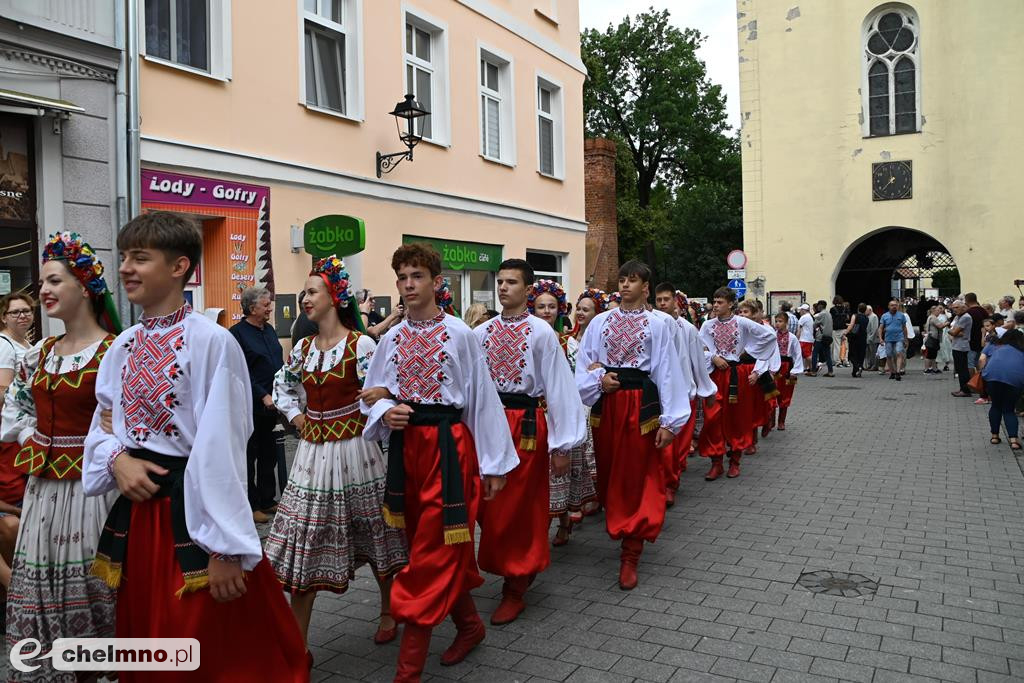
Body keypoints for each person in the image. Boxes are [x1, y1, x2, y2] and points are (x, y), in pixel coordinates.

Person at [83, 212, 308, 682]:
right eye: (123, 256)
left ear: (179, 266)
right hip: (140, 515)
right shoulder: (122, 347)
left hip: (196, 518)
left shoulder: (211, 342)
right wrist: (117, 458)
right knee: (150, 638)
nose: (124, 267)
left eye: (139, 258)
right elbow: (102, 424)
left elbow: (223, 448)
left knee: (208, 647)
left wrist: (226, 550)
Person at [360, 243, 518, 681]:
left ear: (435, 282)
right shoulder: (389, 338)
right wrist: (383, 411)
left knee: (429, 557)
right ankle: (470, 626)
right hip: (406, 452)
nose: (409, 285)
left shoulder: (459, 334)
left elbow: (482, 401)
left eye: (417, 277)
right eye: (403, 278)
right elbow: (372, 396)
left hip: (450, 451)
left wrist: (494, 465)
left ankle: (408, 670)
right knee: (433, 549)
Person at [266, 256, 408, 652]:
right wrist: (296, 418)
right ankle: (299, 646)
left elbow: (380, 390)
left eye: (312, 291)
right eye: (304, 292)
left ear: (334, 297)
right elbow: (283, 386)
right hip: (312, 455)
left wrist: (375, 408)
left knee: (374, 531)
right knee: (305, 537)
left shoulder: (361, 343)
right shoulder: (305, 347)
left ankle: (387, 608)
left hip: (356, 453)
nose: (304, 299)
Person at [3, 234, 122, 681]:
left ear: (85, 285)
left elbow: (129, 422)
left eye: (54, 280)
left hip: (93, 491)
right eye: (41, 283)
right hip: (44, 490)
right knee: (43, 582)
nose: (44, 291)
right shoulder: (41, 355)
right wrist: (36, 434)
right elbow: (16, 410)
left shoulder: (115, 352)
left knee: (94, 585)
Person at [474, 267, 584, 625]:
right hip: (488, 422)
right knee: (487, 504)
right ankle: (507, 565)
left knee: (519, 505)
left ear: (528, 288)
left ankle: (517, 585)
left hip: (526, 425)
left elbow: (559, 387)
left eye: (512, 282)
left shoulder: (541, 333)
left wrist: (563, 444)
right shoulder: (481, 333)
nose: (504, 288)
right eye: (500, 282)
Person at [576, 261, 688, 591]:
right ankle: (620, 522)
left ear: (646, 287)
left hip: (641, 405)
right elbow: (584, 361)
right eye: (622, 279)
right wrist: (599, 378)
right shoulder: (600, 321)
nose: (625, 285)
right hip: (607, 404)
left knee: (639, 473)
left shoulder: (659, 324)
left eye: (633, 280)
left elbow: (667, 370)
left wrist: (670, 420)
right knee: (610, 471)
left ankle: (631, 551)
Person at [697, 287, 780, 481]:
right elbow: (699, 347)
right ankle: (716, 462)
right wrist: (713, 356)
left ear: (731, 304)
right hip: (716, 374)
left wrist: (748, 351)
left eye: (720, 302)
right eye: (715, 301)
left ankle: (734, 460)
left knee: (737, 417)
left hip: (737, 375)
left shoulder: (742, 322)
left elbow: (769, 336)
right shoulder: (708, 325)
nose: (716, 305)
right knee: (712, 417)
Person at [654, 283, 716, 507]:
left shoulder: (688, 329)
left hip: (685, 393)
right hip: (660, 395)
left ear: (675, 302)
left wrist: (706, 389)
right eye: (659, 300)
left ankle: (671, 482)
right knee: (665, 447)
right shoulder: (652, 325)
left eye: (666, 299)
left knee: (679, 446)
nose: (662, 304)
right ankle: (665, 483)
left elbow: (698, 362)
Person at [230, 286, 284, 524]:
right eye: (265, 305)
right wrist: (262, 395)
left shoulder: (270, 330)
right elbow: (240, 373)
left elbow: (278, 362)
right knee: (248, 457)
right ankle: (250, 505)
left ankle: (267, 499)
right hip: (249, 407)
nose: (270, 308)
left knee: (268, 454)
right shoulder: (237, 335)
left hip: (273, 406)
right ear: (252, 308)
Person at [553, 288, 604, 538]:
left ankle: (577, 504)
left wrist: (597, 370)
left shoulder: (574, 342)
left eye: (587, 309)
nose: (581, 313)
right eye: (579, 309)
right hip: (548, 409)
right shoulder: (567, 336)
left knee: (582, 453)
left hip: (583, 401)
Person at [0, 293, 34, 589]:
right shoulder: (4, 345)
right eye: (16, 312)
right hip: (14, 428)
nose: (22, 316)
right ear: (4, 317)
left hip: (23, 432)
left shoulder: (31, 346)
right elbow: (4, 390)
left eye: (27, 311)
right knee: (11, 526)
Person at [979, 329, 1024, 450]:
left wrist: (982, 373)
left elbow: (982, 360)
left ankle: (994, 436)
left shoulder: (996, 346)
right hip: (1015, 380)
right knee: (1009, 409)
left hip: (992, 378)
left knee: (996, 406)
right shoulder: (1021, 350)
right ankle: (1014, 441)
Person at [770, 311, 803, 430]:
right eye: (776, 321)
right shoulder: (772, 335)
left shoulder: (792, 338)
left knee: (786, 393)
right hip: (775, 367)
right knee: (772, 392)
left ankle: (781, 421)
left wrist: (795, 370)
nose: (778, 324)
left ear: (786, 322)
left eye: (780, 321)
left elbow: (797, 354)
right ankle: (771, 420)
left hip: (788, 367)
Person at [878, 300, 909, 381]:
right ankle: (892, 372)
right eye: (892, 305)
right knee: (888, 355)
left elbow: (904, 328)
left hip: (899, 337)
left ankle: (898, 372)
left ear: (898, 306)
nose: (894, 306)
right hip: (888, 339)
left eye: (895, 305)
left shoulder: (901, 315)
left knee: (899, 353)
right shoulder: (884, 316)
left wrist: (906, 339)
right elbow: (881, 328)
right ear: (889, 306)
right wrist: (880, 338)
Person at [949, 299, 974, 397]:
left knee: (962, 369)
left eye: (957, 307)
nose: (954, 309)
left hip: (961, 346)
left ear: (963, 307)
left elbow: (954, 332)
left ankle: (965, 390)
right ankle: (962, 388)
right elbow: (956, 331)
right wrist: (955, 331)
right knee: (960, 369)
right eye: (953, 308)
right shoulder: (958, 317)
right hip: (957, 345)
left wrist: (950, 330)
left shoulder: (965, 317)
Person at [964, 292, 988, 376]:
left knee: (970, 364)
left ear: (966, 300)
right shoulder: (983, 311)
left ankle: (972, 383)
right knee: (979, 362)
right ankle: (980, 381)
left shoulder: (969, 312)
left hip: (971, 341)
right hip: (982, 340)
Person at [811, 300, 834, 376]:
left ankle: (813, 371)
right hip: (828, 337)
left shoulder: (821, 314)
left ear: (820, 306)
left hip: (820, 337)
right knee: (827, 355)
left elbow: (814, 325)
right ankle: (830, 371)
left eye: (818, 305)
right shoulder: (829, 313)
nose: (817, 307)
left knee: (815, 354)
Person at [846, 303, 869, 378]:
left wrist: (845, 332)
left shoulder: (855, 315)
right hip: (863, 337)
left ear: (858, 308)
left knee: (853, 353)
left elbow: (852, 325)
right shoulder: (866, 318)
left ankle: (856, 367)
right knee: (860, 354)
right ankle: (858, 368)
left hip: (855, 337)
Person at [830, 296, 850, 368]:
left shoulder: (832, 309)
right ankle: (845, 360)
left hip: (836, 329)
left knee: (837, 346)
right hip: (844, 329)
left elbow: (831, 320)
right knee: (845, 345)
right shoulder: (845, 308)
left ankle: (838, 362)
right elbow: (847, 318)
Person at [797, 303, 814, 375]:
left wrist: (797, 338)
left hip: (804, 339)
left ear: (804, 310)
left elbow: (799, 329)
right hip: (809, 338)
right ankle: (808, 368)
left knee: (807, 355)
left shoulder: (803, 317)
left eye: (801, 310)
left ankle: (812, 369)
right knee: (806, 354)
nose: (800, 312)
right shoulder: (810, 317)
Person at [865, 305, 880, 371]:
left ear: (870, 310)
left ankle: (874, 365)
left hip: (872, 339)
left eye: (866, 310)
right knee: (869, 353)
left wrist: (871, 337)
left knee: (873, 353)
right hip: (868, 338)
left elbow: (875, 328)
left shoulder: (874, 316)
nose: (865, 311)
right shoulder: (868, 316)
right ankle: (870, 365)